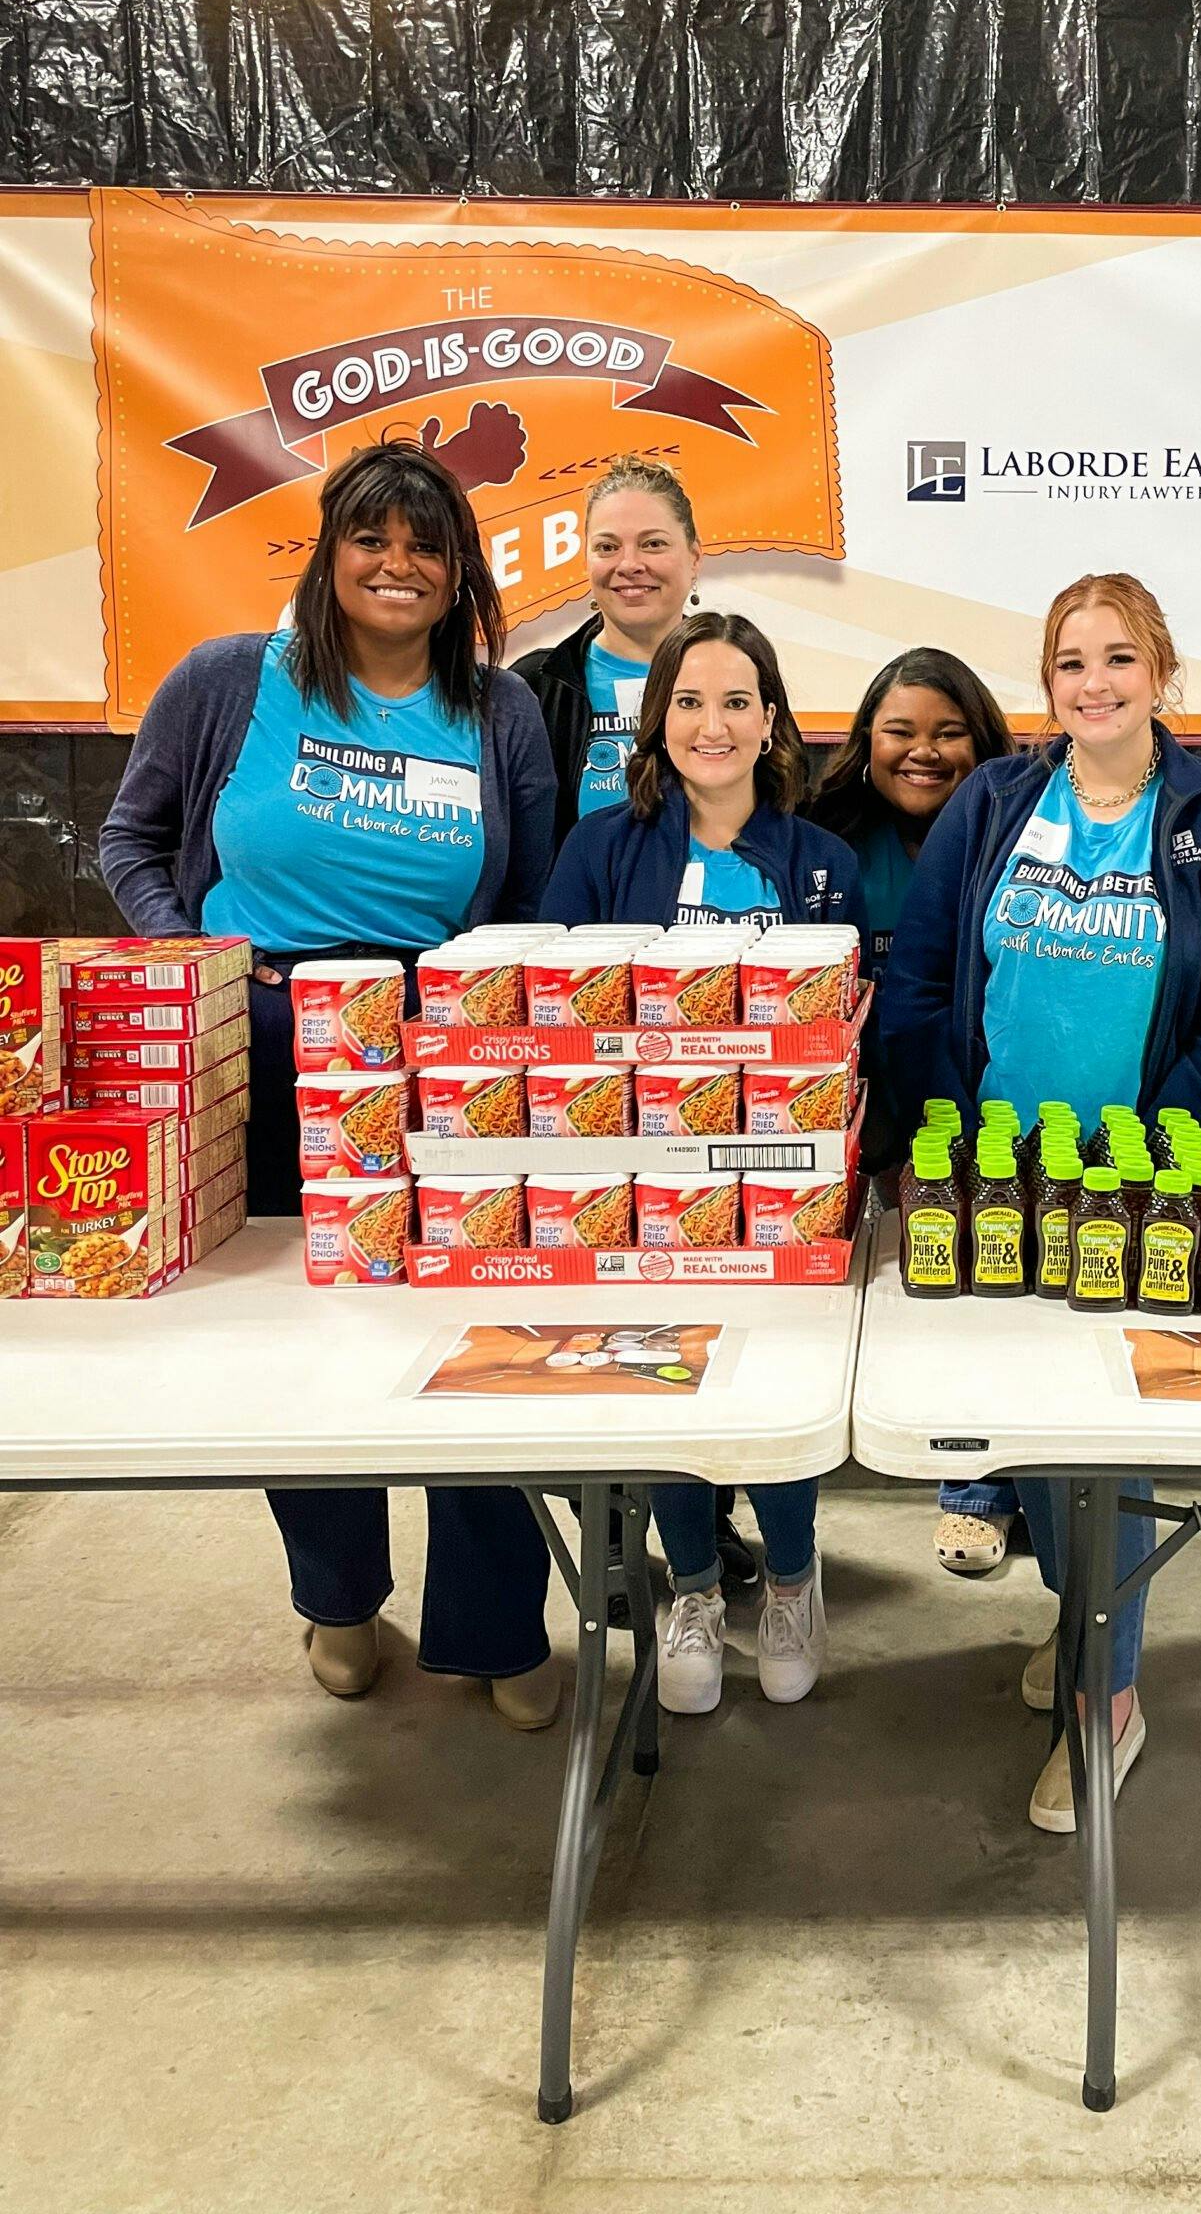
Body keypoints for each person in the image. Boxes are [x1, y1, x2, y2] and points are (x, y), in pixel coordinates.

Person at [98, 439, 562, 1726]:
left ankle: (496, 1624)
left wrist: (476, 1023)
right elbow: (130, 834)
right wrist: (191, 954)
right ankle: (339, 1599)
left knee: (475, 1339)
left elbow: (524, 899)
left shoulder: (499, 708)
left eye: (427, 544)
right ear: (329, 551)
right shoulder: (230, 680)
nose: (399, 565)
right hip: (258, 1045)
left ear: (461, 566)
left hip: (436, 1049)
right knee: (302, 1344)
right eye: (372, 538)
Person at [881, 575, 1201, 1830]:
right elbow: (922, 982)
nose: (1095, 681)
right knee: (1033, 1454)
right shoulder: (999, 800)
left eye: (1120, 657)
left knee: (1103, 1462)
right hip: (996, 1187)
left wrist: (1149, 1162)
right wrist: (944, 1147)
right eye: (1071, 661)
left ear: (1162, 669)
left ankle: (1108, 1701)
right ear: (1047, 682)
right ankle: (1083, 1627)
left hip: (1136, 1196)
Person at [544, 612, 863, 1715]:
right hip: (640, 1183)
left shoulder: (822, 864)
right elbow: (556, 1025)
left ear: (771, 720)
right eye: (688, 700)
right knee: (662, 1375)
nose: (712, 723)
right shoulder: (598, 849)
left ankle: (788, 1575)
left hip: (782, 1179)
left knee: (774, 1388)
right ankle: (689, 1586)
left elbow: (849, 1034)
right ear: (656, 717)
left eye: (736, 700)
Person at [809, 649, 1023, 1575]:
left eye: (948, 733)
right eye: (900, 731)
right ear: (865, 742)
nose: (924, 752)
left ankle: (980, 1488)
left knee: (975, 1293)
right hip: (849, 1097)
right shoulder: (825, 836)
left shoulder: (1020, 829)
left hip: (968, 1097)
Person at [511, 454, 703, 840]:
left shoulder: (743, 677)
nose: (629, 564)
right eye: (607, 547)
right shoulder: (535, 687)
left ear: (694, 557)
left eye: (652, 544)